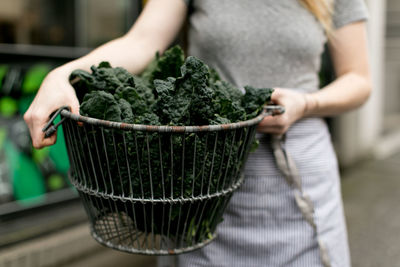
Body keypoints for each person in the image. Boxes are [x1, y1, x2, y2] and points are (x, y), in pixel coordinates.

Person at [24, 0, 371, 266]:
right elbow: (142, 42)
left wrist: (306, 104)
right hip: (204, 184)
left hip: (299, 180)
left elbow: (359, 79)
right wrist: (62, 76)